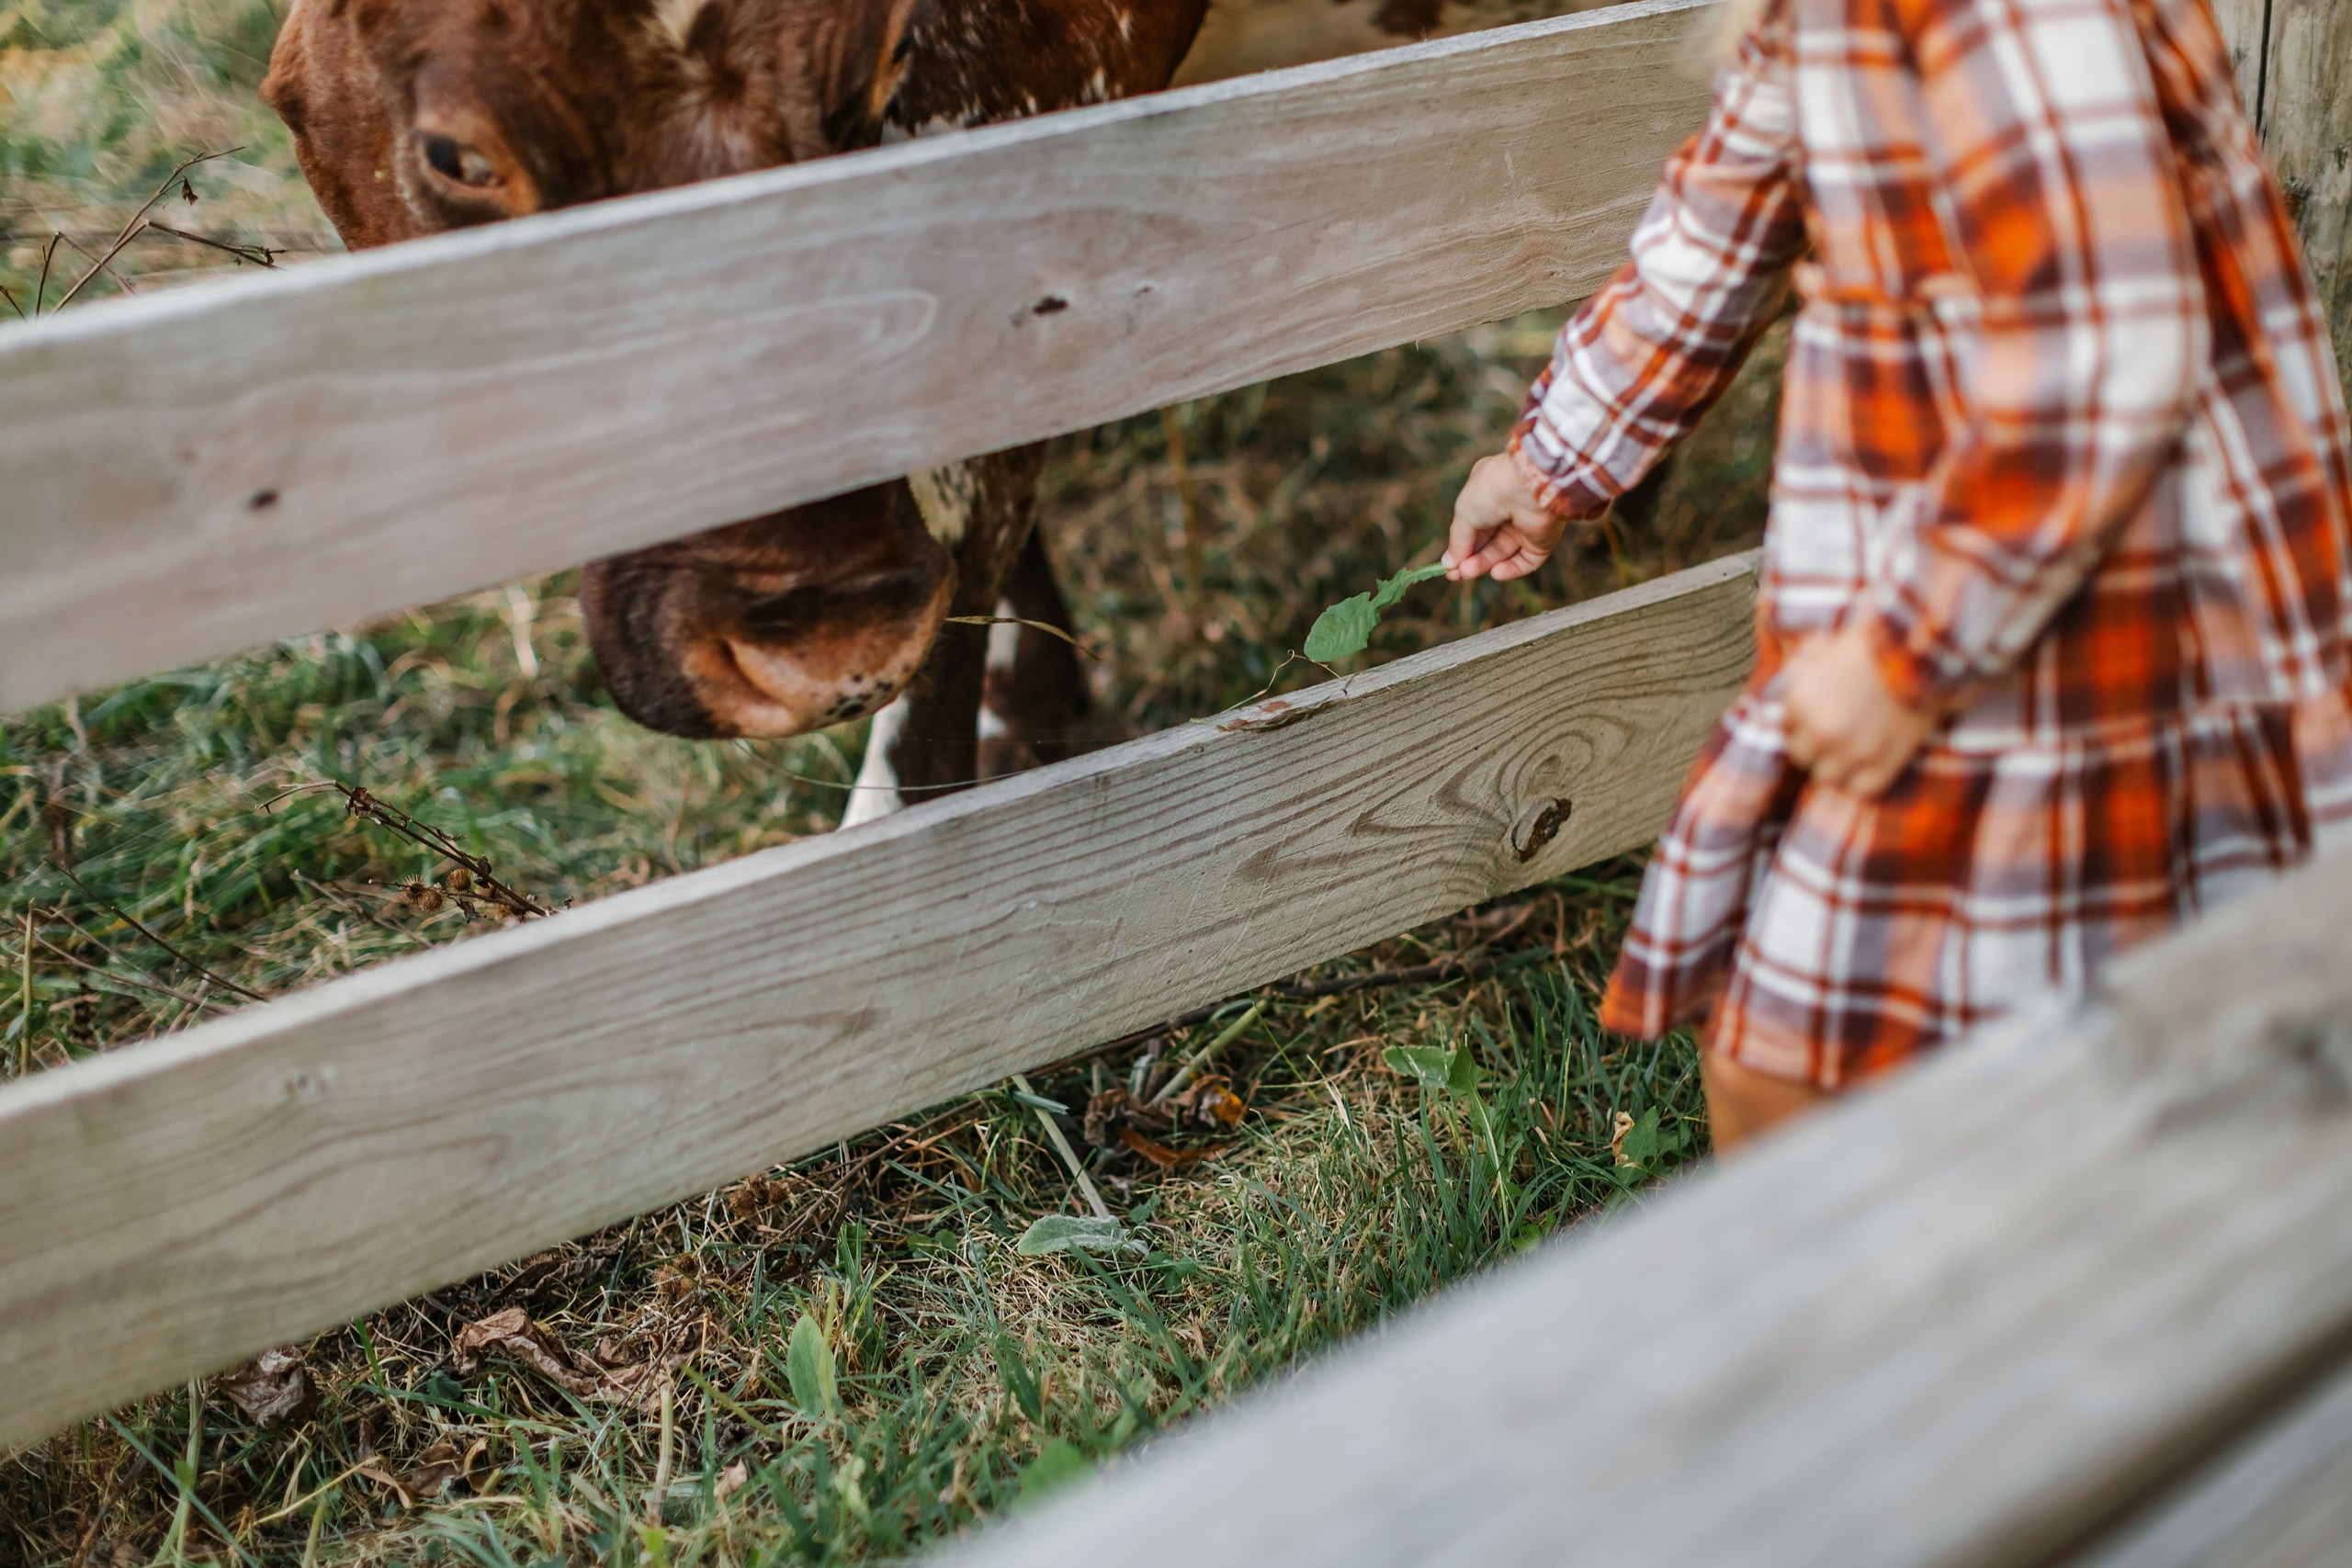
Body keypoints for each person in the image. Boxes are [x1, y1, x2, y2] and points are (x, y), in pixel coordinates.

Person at [1444, 0, 2352, 1151]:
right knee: (1950, 998)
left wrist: (1901, 660)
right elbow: (1725, 215)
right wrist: (1545, 463)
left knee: (1812, 1055)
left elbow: (2111, 345)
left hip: (2080, 585)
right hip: (1976, 554)